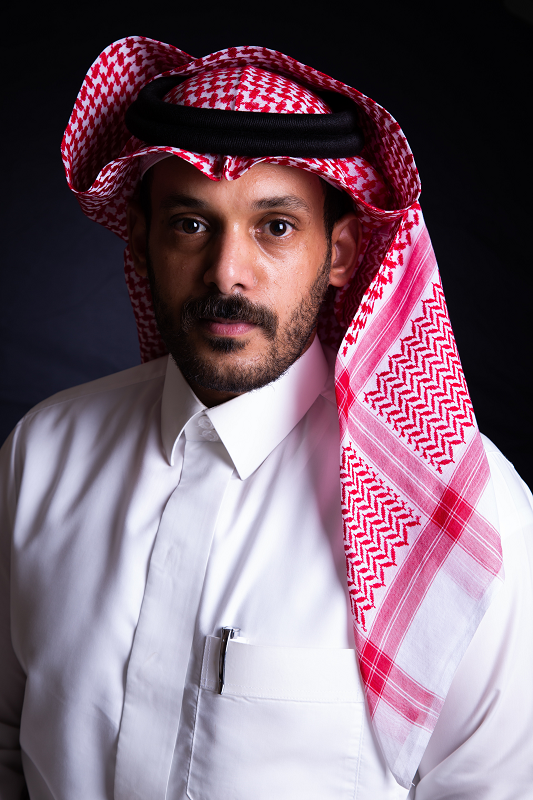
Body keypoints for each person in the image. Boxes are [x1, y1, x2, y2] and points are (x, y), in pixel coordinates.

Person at [0, 36, 532, 800]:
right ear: (145, 241)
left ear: (342, 253)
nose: (226, 271)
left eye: (275, 226)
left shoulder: (468, 519)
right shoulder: (44, 454)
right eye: (189, 223)